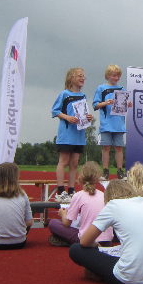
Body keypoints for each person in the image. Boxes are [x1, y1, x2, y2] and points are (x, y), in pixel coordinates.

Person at [68, 179, 143, 284]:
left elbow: (84, 241)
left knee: (75, 249)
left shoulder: (113, 205)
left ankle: (98, 273)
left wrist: (95, 246)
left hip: (129, 278)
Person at [47, 161, 113, 247]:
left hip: (87, 240)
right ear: (97, 179)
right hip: (107, 240)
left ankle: (66, 240)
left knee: (53, 223)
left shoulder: (78, 195)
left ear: (80, 178)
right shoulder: (103, 195)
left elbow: (67, 223)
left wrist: (63, 214)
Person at [51, 67, 92, 203]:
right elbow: (55, 111)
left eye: (83, 76)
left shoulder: (83, 96)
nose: (82, 78)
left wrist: (88, 117)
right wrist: (67, 117)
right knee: (63, 161)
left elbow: (83, 113)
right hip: (66, 134)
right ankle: (60, 191)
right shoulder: (64, 94)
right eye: (79, 75)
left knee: (74, 163)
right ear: (71, 78)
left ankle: (71, 190)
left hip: (79, 135)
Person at [92, 64, 130, 180]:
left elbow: (123, 106)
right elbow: (95, 105)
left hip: (119, 124)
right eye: (114, 75)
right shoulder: (101, 88)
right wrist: (106, 102)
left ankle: (120, 171)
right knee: (106, 148)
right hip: (106, 124)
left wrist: (128, 104)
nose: (116, 78)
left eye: (118, 76)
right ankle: (105, 171)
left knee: (119, 148)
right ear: (108, 76)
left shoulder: (122, 89)